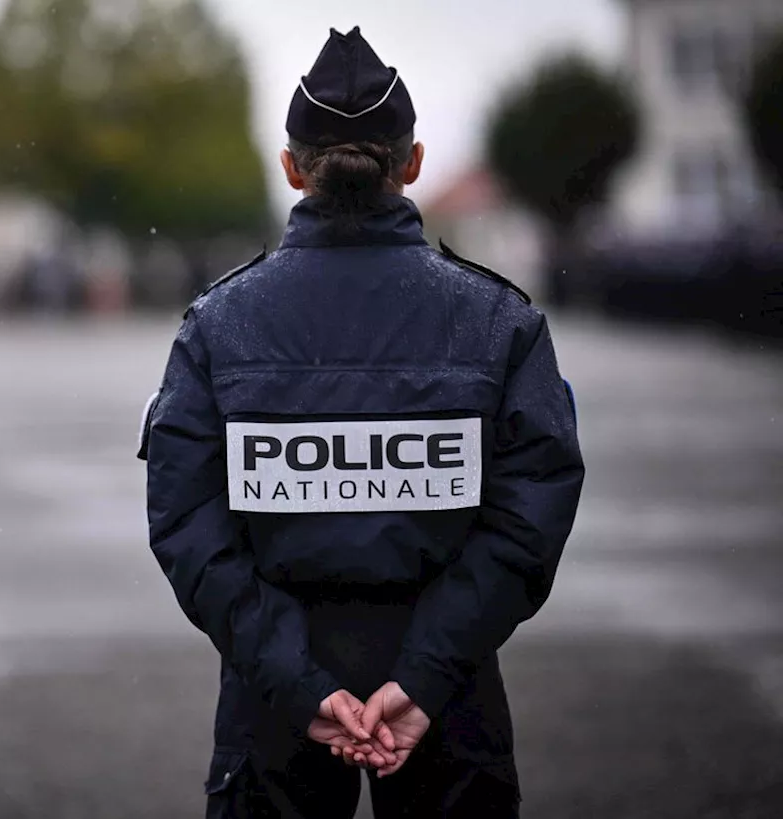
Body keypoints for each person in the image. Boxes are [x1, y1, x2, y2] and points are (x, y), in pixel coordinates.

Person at [139, 26, 584, 819]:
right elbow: (529, 514)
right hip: (452, 689)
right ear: (410, 164)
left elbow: (187, 522)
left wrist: (301, 684)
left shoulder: (218, 324)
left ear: (290, 169)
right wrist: (421, 676)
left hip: (270, 693)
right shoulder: (497, 321)